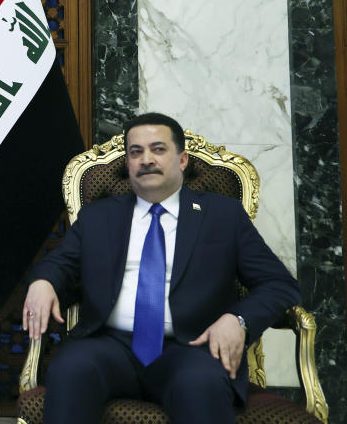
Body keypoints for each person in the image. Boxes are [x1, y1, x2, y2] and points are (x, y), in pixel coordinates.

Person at [22, 112, 301, 424]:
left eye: (158, 149)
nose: (146, 160)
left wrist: (238, 319)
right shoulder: (99, 217)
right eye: (136, 152)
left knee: (200, 384)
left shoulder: (223, 215)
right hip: (108, 346)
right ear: (127, 163)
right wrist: (43, 282)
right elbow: (59, 264)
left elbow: (279, 284)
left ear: (182, 160)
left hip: (192, 347)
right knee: (70, 369)